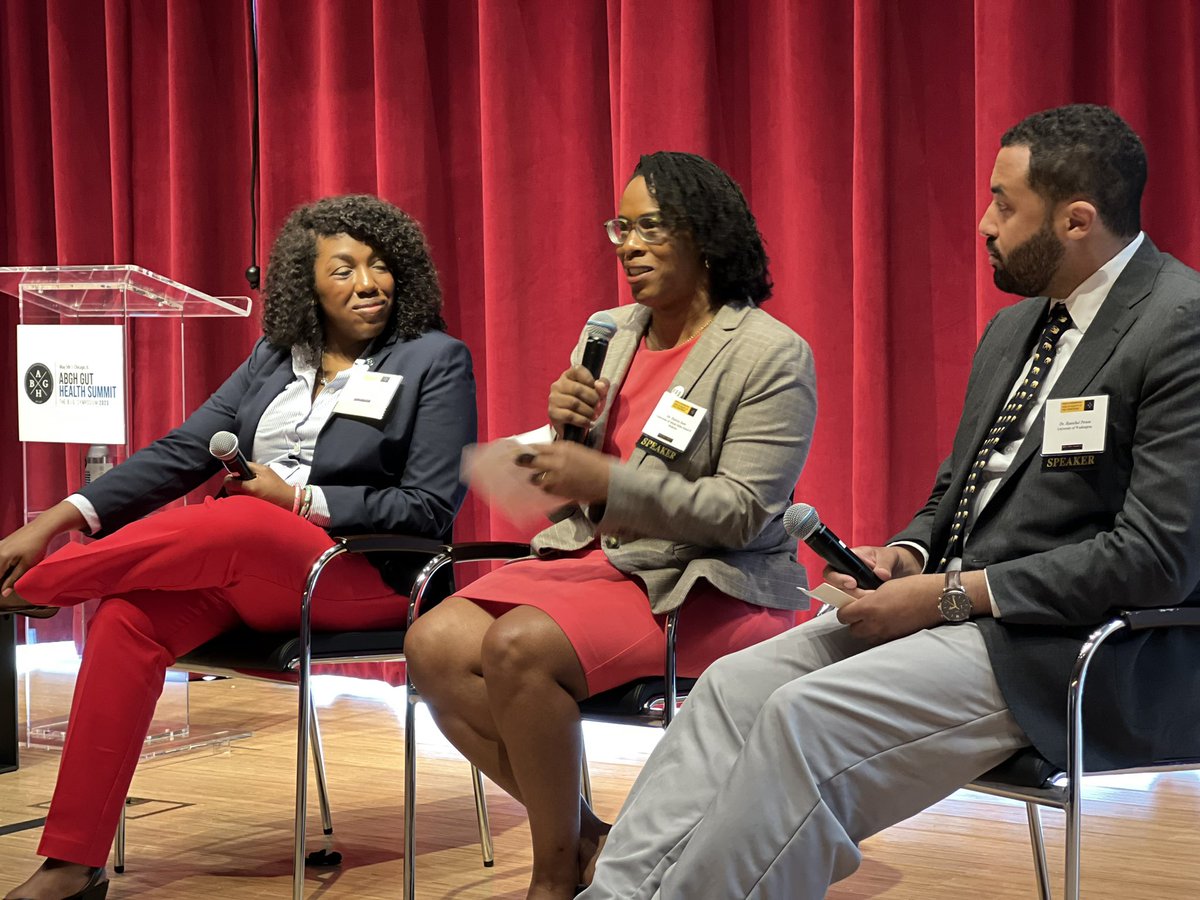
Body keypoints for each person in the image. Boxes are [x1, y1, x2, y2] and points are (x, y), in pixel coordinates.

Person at [579, 105, 1200, 899]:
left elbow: (1158, 558)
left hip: (1071, 648)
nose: (983, 222)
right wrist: (905, 553)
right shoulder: (1014, 330)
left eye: (1005, 205)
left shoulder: (1178, 324)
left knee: (805, 720)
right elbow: (957, 492)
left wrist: (946, 596)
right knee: (732, 688)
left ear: (1077, 220)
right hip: (960, 613)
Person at [0, 194, 476, 900]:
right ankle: (72, 864)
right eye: (343, 270)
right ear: (303, 284)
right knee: (126, 619)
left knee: (242, 521)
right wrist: (58, 517)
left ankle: (40, 587)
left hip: (365, 575)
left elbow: (432, 508)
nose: (369, 283)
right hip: (251, 575)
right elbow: (183, 450)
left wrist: (301, 502)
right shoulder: (275, 358)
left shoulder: (434, 359)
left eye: (381, 267)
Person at [404, 151, 817, 900]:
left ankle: (554, 872)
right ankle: (593, 839)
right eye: (619, 228)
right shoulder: (609, 332)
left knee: (518, 647)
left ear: (705, 235)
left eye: (649, 228)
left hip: (704, 583)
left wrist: (608, 480)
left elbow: (746, 513)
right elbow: (580, 488)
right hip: (595, 561)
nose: (627, 245)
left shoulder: (770, 354)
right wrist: (564, 442)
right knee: (431, 644)